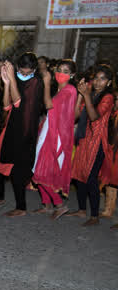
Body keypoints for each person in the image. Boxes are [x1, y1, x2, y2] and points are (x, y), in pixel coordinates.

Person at [65, 64, 115, 226]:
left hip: (98, 142)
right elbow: (75, 116)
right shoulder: (91, 93)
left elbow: (94, 117)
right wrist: (81, 94)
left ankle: (94, 216)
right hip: (85, 139)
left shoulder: (108, 97)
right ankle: (81, 210)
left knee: (91, 178)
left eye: (103, 79)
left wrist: (86, 95)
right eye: (96, 78)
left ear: (108, 83)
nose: (98, 82)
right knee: (79, 175)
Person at [0, 54, 43, 216]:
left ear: (34, 70)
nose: (24, 75)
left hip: (25, 132)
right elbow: (7, 106)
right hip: (13, 129)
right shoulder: (17, 80)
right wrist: (7, 83)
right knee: (4, 166)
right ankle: (4, 199)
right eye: (21, 71)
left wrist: (13, 78)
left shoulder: (36, 82)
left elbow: (18, 102)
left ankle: (21, 208)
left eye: (27, 72)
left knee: (19, 172)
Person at [32, 59, 77, 217]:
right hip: (47, 131)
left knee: (42, 171)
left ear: (72, 75)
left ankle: (59, 204)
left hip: (55, 135)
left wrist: (46, 84)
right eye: (59, 70)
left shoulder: (70, 90)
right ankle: (47, 204)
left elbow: (49, 106)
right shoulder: (60, 90)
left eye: (66, 71)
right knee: (37, 170)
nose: (61, 74)